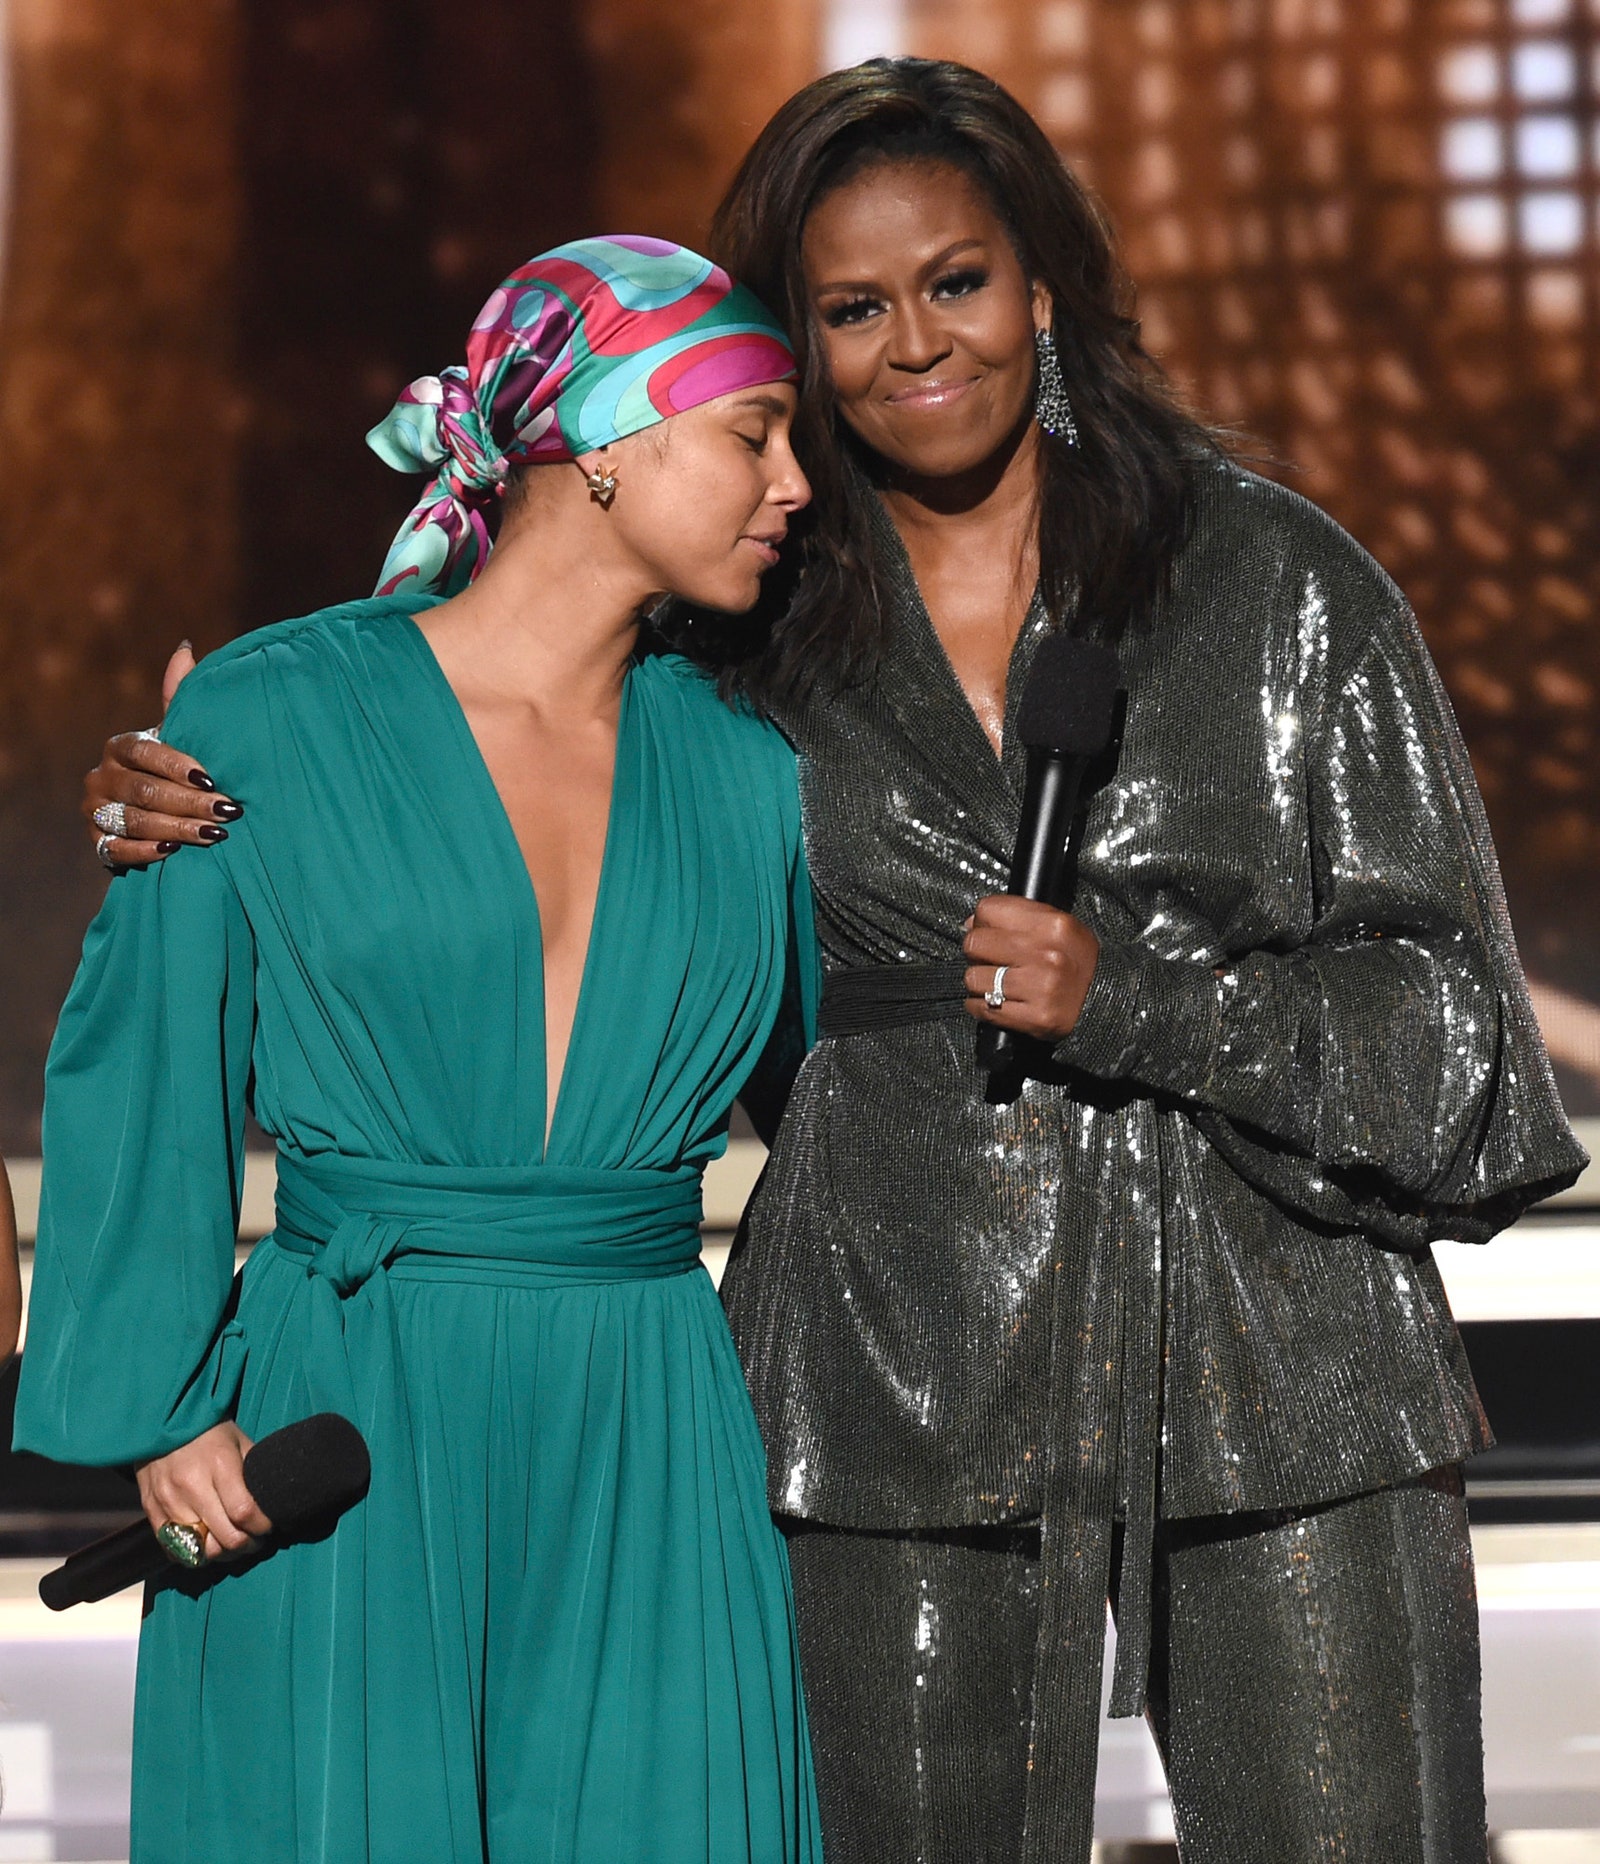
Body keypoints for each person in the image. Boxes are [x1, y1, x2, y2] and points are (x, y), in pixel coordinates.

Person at [79, 58, 1585, 1864]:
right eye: (848, 312)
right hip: (887, 1386)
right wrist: (216, 772)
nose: (911, 346)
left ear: (1047, 285)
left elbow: (1467, 1056)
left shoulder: (1279, 586)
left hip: (1294, 1379)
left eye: (956, 282)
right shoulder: (749, 628)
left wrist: (1144, 1002)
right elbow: (516, 683)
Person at [22, 237, 823, 1864]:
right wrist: (165, 1406)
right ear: (603, 442)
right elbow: (142, 1063)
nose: (795, 481)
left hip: (651, 1421)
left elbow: (849, 1106)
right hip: (351, 1408)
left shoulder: (751, 775)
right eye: (754, 433)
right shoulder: (270, 715)